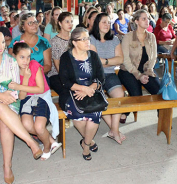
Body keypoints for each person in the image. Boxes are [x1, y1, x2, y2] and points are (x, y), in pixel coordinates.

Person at [0, 29, 43, 183]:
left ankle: (7, 166)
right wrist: (0, 96)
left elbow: (15, 86)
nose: (1, 45)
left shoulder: (10, 60)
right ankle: (30, 142)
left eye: (3, 42)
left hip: (11, 99)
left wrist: (8, 96)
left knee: (5, 122)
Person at [9, 42, 62, 160]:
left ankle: (47, 147)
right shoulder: (14, 71)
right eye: (22, 57)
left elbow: (40, 89)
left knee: (38, 127)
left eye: (28, 57)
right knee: (26, 125)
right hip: (27, 99)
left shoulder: (34, 65)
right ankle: (50, 140)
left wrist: (19, 86)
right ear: (14, 56)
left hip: (42, 96)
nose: (25, 61)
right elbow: (22, 97)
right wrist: (26, 79)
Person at [59, 27, 104, 160]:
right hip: (71, 92)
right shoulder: (66, 57)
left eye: (88, 38)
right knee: (78, 114)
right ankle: (90, 141)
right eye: (83, 39)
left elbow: (101, 78)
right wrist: (82, 89)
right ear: (74, 42)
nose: (87, 41)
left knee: (94, 114)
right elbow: (64, 81)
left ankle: (85, 145)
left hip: (92, 91)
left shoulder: (93, 56)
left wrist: (89, 88)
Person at [118, 10, 160, 124]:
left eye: (148, 18)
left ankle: (163, 118)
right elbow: (125, 60)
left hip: (146, 70)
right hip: (129, 71)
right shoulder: (128, 37)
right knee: (137, 95)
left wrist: (147, 72)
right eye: (144, 19)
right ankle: (125, 112)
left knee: (160, 92)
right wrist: (138, 75)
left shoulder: (151, 37)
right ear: (136, 21)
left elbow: (153, 57)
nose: (148, 21)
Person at [89, 13, 126, 144]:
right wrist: (110, 61)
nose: (107, 25)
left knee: (119, 94)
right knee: (99, 99)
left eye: (109, 22)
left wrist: (104, 61)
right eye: (104, 22)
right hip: (95, 76)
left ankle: (114, 129)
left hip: (110, 74)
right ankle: (114, 130)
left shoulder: (115, 39)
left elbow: (120, 59)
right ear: (97, 24)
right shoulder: (91, 38)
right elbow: (94, 60)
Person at [48, 12, 73, 95]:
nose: (70, 24)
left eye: (71, 21)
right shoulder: (54, 41)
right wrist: (67, 79)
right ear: (60, 23)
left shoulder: (75, 39)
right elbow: (57, 64)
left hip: (73, 72)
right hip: (57, 74)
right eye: (67, 22)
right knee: (67, 91)